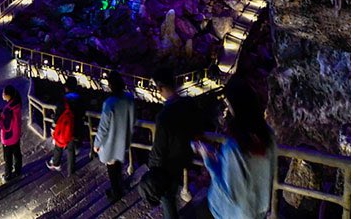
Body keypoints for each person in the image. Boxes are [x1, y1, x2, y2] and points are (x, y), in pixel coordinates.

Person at [192, 78, 277, 219]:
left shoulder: (234, 147)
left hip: (235, 213)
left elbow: (230, 191)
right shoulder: (268, 136)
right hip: (259, 208)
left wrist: (209, 159)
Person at [146, 68, 203, 219]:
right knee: (171, 192)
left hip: (168, 164)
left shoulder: (164, 116)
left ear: (160, 88)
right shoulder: (189, 104)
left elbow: (159, 147)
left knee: (167, 197)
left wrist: (152, 167)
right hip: (185, 158)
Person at [94, 70, 136, 202]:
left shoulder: (109, 103)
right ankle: (119, 186)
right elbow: (132, 118)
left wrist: (97, 144)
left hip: (110, 142)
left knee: (111, 168)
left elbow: (103, 128)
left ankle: (116, 192)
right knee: (118, 165)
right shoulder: (129, 98)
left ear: (111, 85)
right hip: (123, 139)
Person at [47, 76, 84, 175]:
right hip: (74, 129)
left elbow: (57, 116)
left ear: (66, 87)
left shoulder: (63, 100)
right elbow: (82, 114)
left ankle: (56, 163)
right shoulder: (80, 100)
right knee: (71, 150)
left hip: (64, 129)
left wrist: (53, 128)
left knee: (58, 145)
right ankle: (71, 170)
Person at [0, 85, 23, 182]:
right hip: (16, 134)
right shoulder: (16, 104)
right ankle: (18, 170)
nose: (2, 95)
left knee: (8, 158)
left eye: (3, 93)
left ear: (8, 95)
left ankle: (8, 175)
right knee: (17, 153)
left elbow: (6, 127)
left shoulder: (8, 109)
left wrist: (0, 119)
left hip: (9, 138)